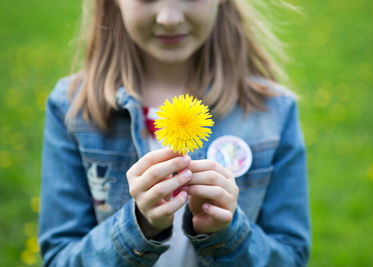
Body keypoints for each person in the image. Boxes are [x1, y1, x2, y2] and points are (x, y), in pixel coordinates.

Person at [38, 0, 311, 266]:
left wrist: (227, 235)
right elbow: (59, 257)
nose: (169, 18)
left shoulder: (275, 111)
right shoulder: (71, 107)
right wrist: (139, 226)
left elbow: (291, 256)